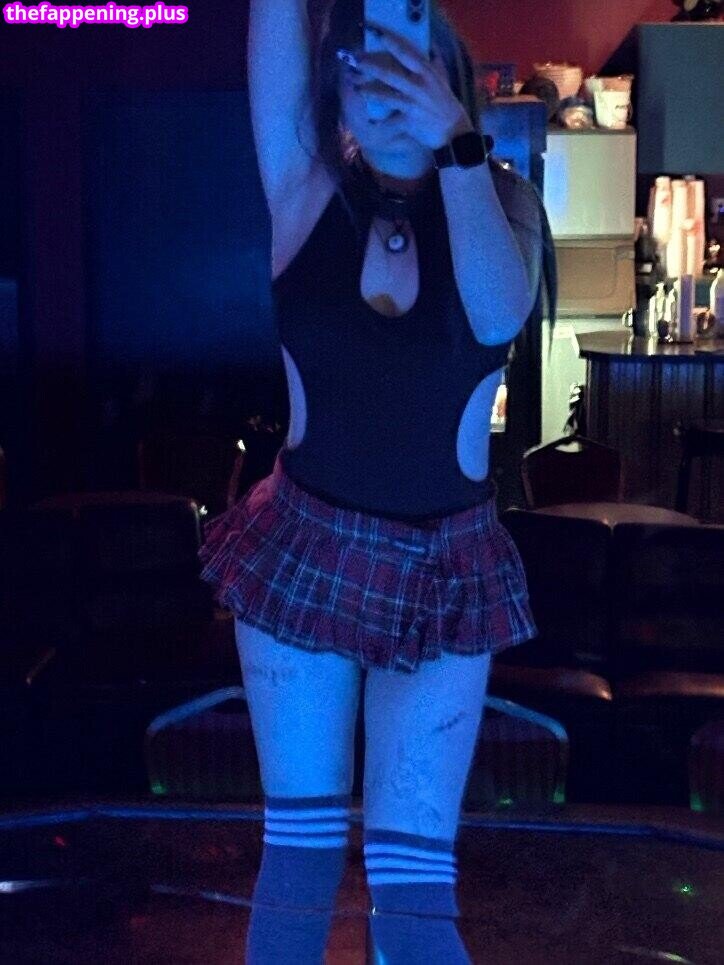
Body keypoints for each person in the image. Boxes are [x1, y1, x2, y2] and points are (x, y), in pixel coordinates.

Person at [198, 1, 555, 962]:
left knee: (415, 885)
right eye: (362, 64)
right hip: (305, 548)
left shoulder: (505, 201)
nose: (387, 83)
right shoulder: (305, 188)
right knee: (300, 860)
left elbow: (497, 315)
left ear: (452, 76)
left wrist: (457, 142)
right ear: (334, 93)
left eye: (411, 60)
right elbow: (275, 30)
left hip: (448, 564)